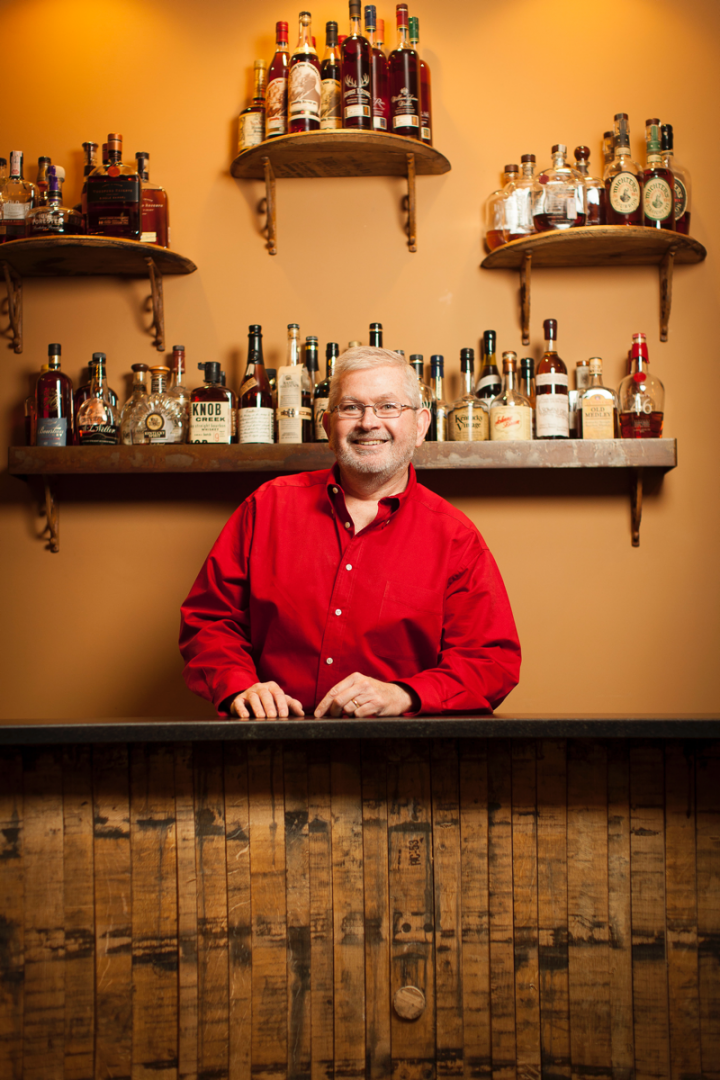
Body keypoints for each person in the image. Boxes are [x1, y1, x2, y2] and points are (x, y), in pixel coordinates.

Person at [179, 347, 520, 719]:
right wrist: (239, 684)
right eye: (351, 407)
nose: (368, 422)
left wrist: (404, 694)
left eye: (388, 406)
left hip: (404, 758)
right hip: (270, 749)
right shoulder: (266, 507)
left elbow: (491, 662)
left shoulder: (456, 538)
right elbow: (208, 621)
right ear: (327, 426)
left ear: (421, 426)